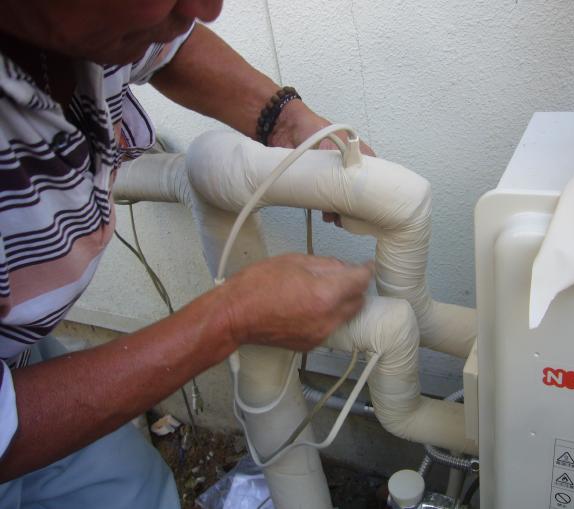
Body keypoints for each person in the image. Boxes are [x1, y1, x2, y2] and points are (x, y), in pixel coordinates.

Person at [0, 1, 375, 507]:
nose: (207, 9)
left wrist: (286, 122)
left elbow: (164, 45)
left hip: (20, 356)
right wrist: (231, 318)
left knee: (138, 490)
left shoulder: (83, 28)